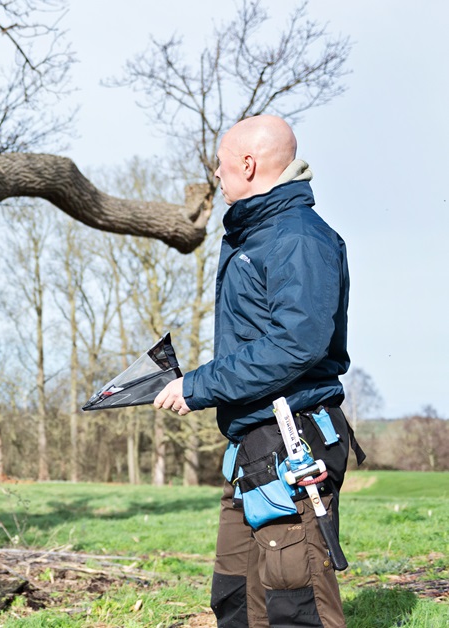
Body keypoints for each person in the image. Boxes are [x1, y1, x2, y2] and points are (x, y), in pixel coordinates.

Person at [154, 114, 363, 628]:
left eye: (221, 165)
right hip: (253, 444)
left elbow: (297, 344)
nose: (217, 176)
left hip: (291, 442)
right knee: (235, 597)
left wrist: (199, 385)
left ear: (247, 164)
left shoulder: (297, 239)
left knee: (296, 606)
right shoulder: (255, 235)